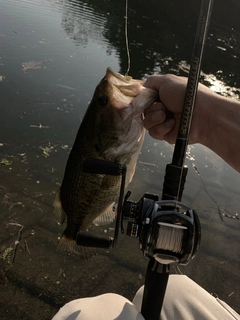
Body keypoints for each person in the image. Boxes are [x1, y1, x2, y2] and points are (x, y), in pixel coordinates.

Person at [52, 75, 240, 320]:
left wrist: (206, 115)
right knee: (174, 287)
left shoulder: (108, 145)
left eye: (102, 100)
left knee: (88, 313)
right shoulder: (107, 145)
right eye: (103, 101)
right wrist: (203, 114)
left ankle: (74, 232)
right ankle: (73, 233)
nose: (107, 95)